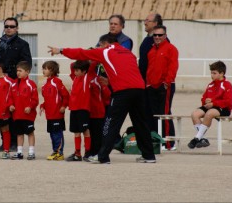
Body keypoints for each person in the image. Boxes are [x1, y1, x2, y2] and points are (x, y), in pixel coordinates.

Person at [48, 34, 156, 164]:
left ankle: (102, 156)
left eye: (99, 45)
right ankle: (149, 155)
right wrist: (110, 81)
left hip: (122, 92)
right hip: (139, 90)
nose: (97, 47)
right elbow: (127, 73)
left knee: (110, 124)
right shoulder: (128, 53)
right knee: (141, 123)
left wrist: (60, 50)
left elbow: (82, 53)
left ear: (105, 43)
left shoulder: (105, 51)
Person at [0, 17, 32, 151]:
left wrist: (11, 74)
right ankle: (5, 142)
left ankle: (14, 142)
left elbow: (26, 63)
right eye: (6, 26)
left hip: (14, 82)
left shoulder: (23, 44)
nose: (9, 28)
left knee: (13, 112)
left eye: (12, 26)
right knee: (2, 112)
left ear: (17, 28)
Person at [187, 61, 232, 149]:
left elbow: (228, 102)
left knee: (209, 113)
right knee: (194, 114)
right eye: (211, 73)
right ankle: (202, 139)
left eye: (214, 73)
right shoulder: (210, 85)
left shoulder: (227, 85)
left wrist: (213, 102)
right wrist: (205, 101)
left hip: (223, 108)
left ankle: (196, 138)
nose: (212, 75)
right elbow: (203, 98)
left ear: (222, 73)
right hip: (210, 106)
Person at [146, 25, 178, 150]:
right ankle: (158, 140)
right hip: (152, 86)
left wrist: (167, 82)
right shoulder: (151, 50)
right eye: (155, 35)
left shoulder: (171, 49)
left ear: (165, 35)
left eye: (160, 35)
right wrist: (148, 83)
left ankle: (169, 143)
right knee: (155, 114)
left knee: (164, 113)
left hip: (165, 86)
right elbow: (150, 68)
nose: (157, 37)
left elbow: (173, 67)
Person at [40, 60, 70, 161]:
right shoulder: (45, 85)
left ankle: (59, 153)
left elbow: (66, 95)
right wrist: (43, 105)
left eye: (45, 69)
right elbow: (48, 99)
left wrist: (63, 106)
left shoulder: (57, 81)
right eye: (43, 68)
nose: (43, 70)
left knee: (58, 133)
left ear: (52, 70)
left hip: (57, 113)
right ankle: (55, 151)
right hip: (50, 114)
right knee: (52, 134)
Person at [9, 61, 39, 160]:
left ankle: (31, 152)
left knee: (30, 133)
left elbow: (35, 99)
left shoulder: (31, 84)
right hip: (17, 115)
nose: (18, 73)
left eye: (20, 71)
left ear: (27, 72)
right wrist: (11, 105)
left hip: (28, 115)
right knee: (19, 134)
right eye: (17, 71)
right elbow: (10, 97)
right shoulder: (13, 84)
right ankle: (19, 152)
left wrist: (30, 107)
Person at [66, 60, 92, 162]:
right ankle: (77, 153)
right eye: (75, 70)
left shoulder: (86, 79)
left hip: (83, 109)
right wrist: (79, 60)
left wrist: (86, 58)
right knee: (76, 132)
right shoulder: (75, 78)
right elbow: (72, 65)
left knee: (86, 131)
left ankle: (88, 152)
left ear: (84, 71)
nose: (75, 72)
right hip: (74, 109)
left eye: (77, 70)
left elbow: (90, 67)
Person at [88, 61, 111, 156]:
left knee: (97, 133)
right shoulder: (86, 78)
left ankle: (96, 152)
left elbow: (107, 95)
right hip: (91, 111)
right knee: (93, 133)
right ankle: (93, 151)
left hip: (97, 111)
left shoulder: (96, 79)